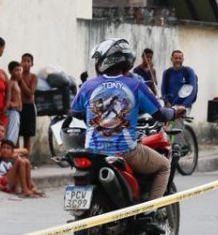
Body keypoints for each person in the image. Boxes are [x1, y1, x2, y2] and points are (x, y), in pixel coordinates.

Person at [71, 39, 185, 203]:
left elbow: (75, 111)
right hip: (125, 152)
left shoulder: (88, 85)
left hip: (93, 151)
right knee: (164, 166)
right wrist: (175, 111)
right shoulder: (135, 85)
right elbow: (160, 114)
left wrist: (96, 118)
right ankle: (150, 211)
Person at [18, 52, 38, 152]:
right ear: (20, 63)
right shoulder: (16, 76)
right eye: (23, 61)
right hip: (18, 107)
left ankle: (26, 159)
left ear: (32, 64)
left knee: (27, 136)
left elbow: (30, 93)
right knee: (16, 134)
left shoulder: (33, 77)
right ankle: (16, 159)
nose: (25, 63)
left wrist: (21, 81)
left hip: (28, 107)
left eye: (28, 61)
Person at [6, 61, 24, 144]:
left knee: (14, 135)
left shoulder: (16, 83)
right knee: (11, 135)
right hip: (13, 111)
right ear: (10, 72)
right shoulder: (11, 83)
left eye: (20, 70)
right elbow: (8, 99)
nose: (19, 72)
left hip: (17, 111)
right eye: (16, 70)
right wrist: (11, 105)